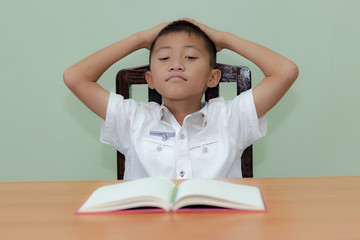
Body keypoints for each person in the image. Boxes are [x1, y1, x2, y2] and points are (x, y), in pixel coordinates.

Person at [63, 19, 298, 180]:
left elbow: (285, 71)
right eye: (164, 57)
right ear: (150, 79)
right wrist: (140, 39)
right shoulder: (133, 119)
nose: (176, 64)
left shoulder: (230, 118)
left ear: (213, 77)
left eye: (190, 56)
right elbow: (75, 77)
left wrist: (224, 39)